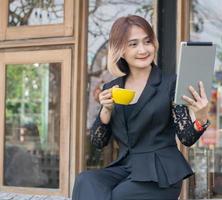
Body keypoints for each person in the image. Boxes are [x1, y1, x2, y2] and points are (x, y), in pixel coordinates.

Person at [72, 15, 210, 200]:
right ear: (120, 50)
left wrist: (200, 118)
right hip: (125, 167)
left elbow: (186, 137)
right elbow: (98, 142)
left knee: (117, 196)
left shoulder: (170, 84)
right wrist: (106, 110)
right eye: (133, 44)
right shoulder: (112, 88)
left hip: (160, 172)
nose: (143, 49)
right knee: (85, 181)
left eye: (147, 42)